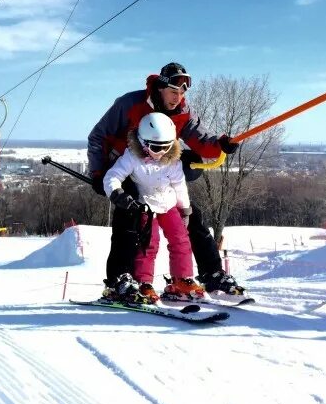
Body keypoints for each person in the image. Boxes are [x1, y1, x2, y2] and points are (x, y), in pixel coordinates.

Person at [87, 62, 245, 303]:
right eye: (174, 91)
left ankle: (211, 274)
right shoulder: (129, 104)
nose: (178, 98)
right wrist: (99, 173)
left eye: (182, 93)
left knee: (191, 218)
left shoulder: (183, 111)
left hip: (161, 173)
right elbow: (98, 136)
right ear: (160, 88)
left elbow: (202, 139)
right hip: (126, 167)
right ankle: (121, 280)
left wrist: (221, 144)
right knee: (129, 221)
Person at [103, 113, 201, 303]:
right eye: (157, 148)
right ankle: (144, 283)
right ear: (143, 142)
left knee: (181, 239)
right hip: (147, 206)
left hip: (169, 204)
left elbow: (180, 186)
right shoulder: (132, 157)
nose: (162, 152)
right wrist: (116, 192)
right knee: (149, 243)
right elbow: (112, 176)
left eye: (167, 147)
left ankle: (181, 279)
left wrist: (185, 210)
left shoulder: (172, 161)